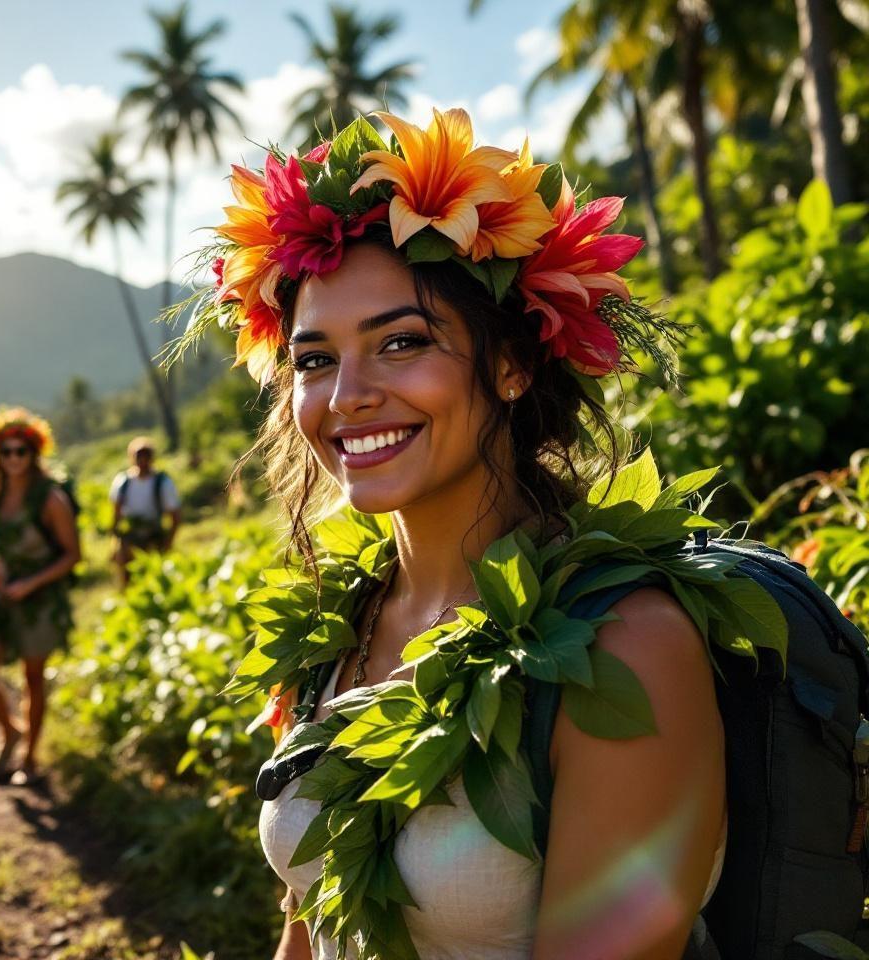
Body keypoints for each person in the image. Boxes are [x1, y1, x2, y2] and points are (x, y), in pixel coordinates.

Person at [171, 108, 799, 959]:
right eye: (315, 359)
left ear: (511, 364)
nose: (347, 394)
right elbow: (307, 929)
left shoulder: (627, 646)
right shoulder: (338, 626)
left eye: (401, 341)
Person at [0, 407, 80, 786]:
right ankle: (10, 731)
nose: (14, 458)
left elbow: (72, 555)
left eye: (21, 451)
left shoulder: (50, 499)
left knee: (32, 678)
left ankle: (29, 757)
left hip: (40, 600)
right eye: (7, 451)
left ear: (33, 454)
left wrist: (30, 585)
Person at [110, 436, 181, 587]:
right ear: (132, 458)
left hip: (153, 537)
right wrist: (114, 542)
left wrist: (168, 543)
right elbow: (116, 514)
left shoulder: (162, 482)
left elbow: (175, 516)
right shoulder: (122, 482)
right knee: (127, 581)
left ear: (152, 458)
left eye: (146, 456)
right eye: (138, 456)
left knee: (154, 580)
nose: (142, 460)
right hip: (129, 539)